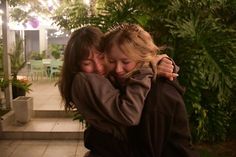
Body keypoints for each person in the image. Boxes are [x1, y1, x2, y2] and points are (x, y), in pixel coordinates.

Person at [59, 26, 178, 157]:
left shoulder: (111, 74)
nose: (98, 67)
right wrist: (147, 70)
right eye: (87, 63)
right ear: (76, 65)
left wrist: (159, 62)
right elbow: (129, 115)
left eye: (101, 57)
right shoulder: (85, 80)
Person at [96, 23, 199, 157]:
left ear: (142, 58)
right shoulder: (128, 85)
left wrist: (94, 139)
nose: (118, 69)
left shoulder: (157, 96)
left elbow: (145, 152)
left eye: (125, 62)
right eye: (111, 61)